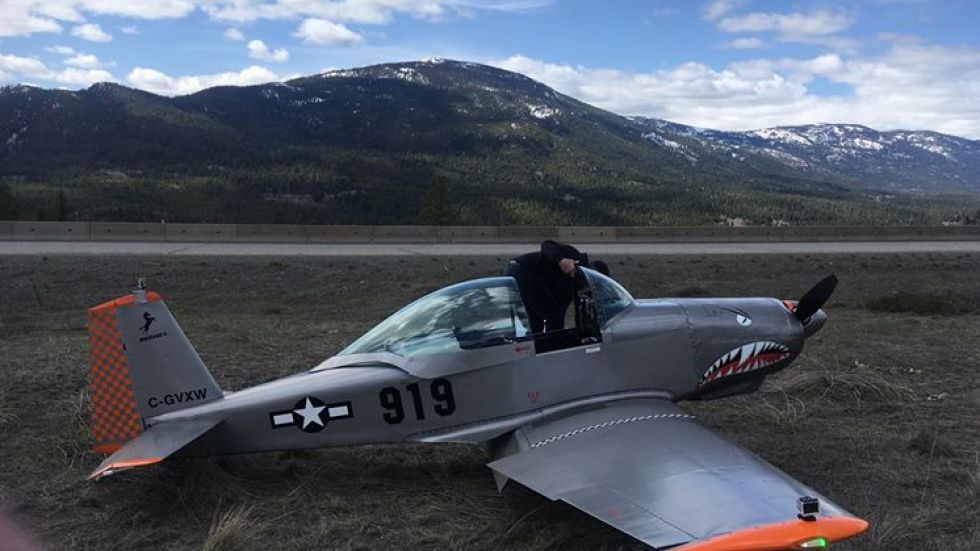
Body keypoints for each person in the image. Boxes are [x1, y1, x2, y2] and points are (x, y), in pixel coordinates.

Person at [504, 240, 609, 334]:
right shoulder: (576, 257)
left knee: (537, 324)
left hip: (520, 276)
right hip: (520, 270)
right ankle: (551, 350)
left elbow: (563, 310)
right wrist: (561, 260)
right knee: (554, 317)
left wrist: (581, 334)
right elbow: (547, 245)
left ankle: (536, 350)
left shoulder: (574, 286)